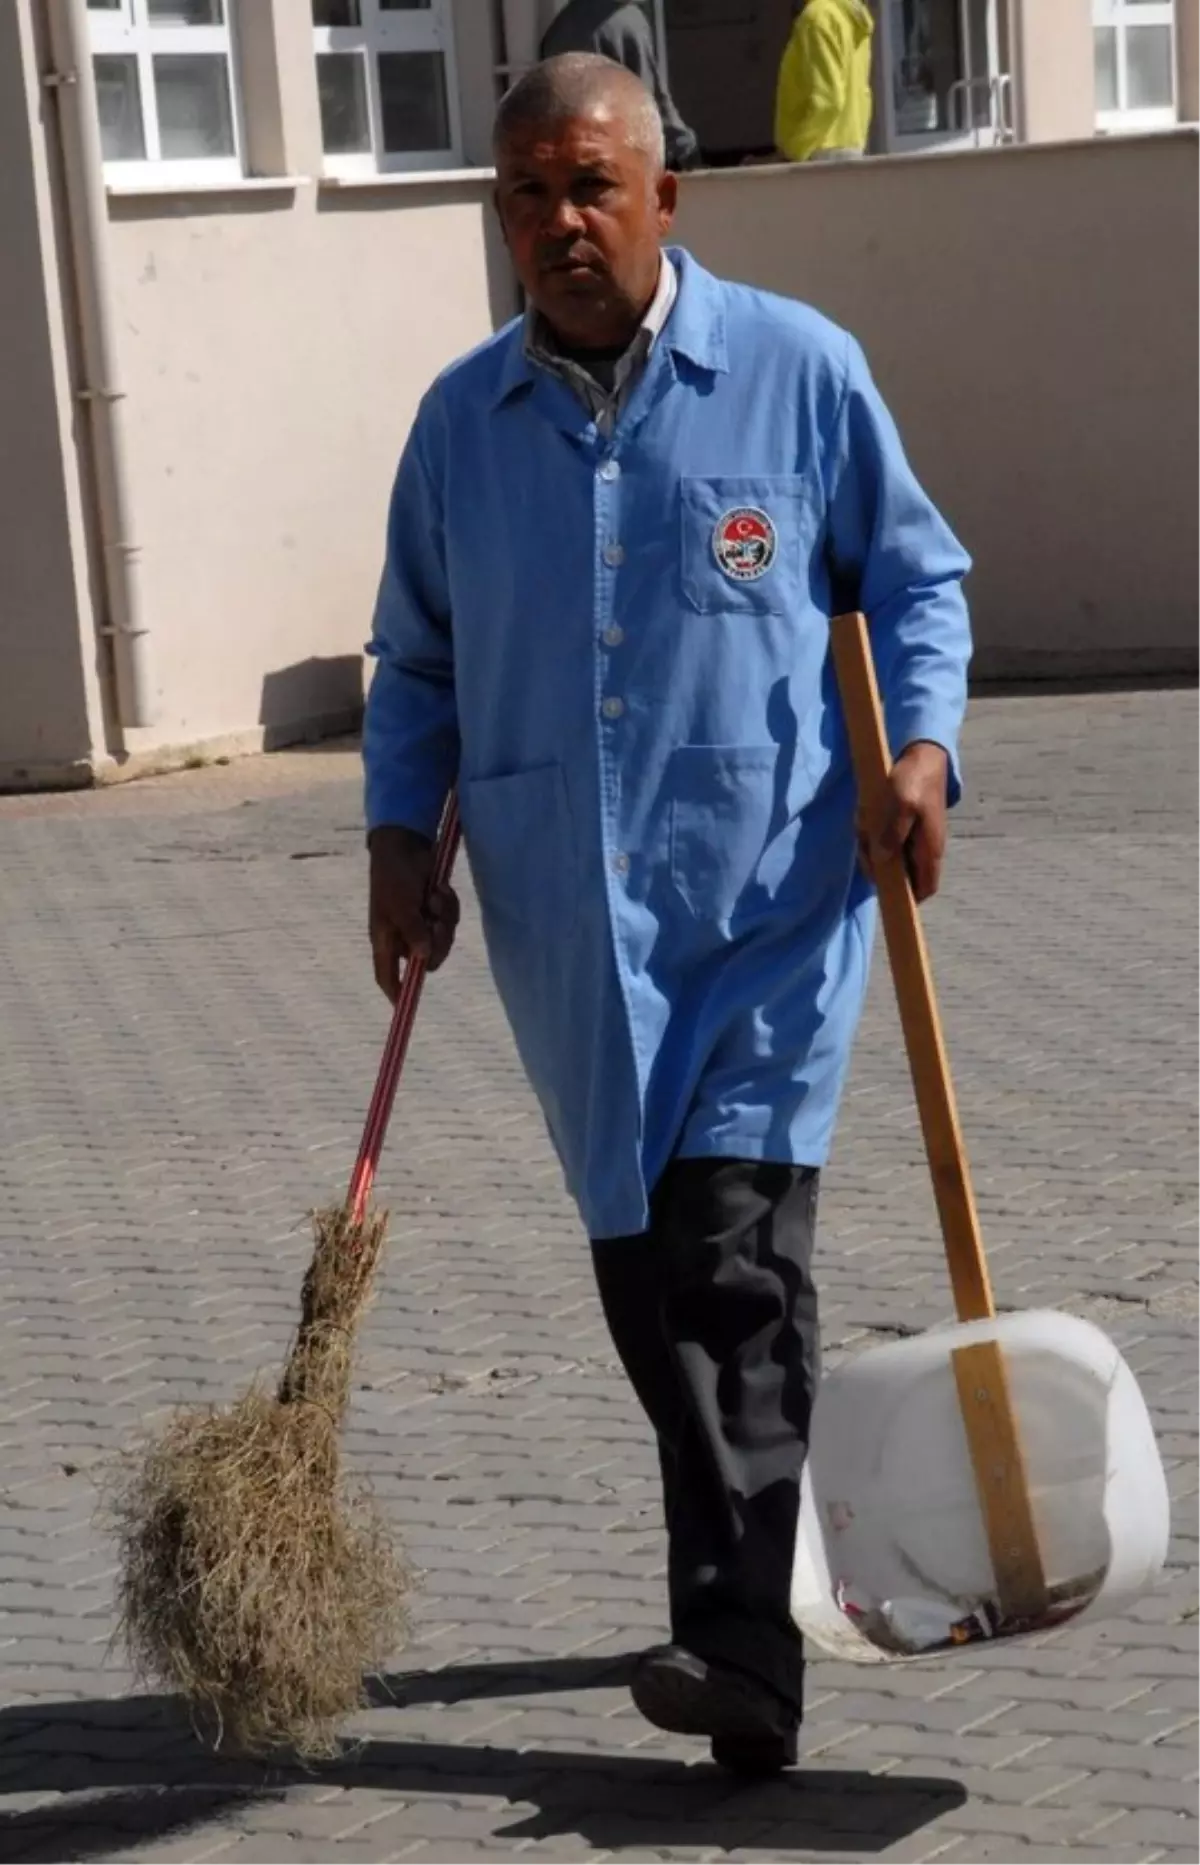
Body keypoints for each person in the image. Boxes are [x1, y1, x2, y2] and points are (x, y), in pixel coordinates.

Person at [364, 53, 971, 1776]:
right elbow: (415, 660)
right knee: (655, 1289)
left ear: (666, 197)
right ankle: (747, 1584)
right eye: (526, 196)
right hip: (576, 947)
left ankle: (741, 1659)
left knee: (731, 1271)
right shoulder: (459, 428)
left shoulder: (797, 373)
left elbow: (916, 577)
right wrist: (396, 833)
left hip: (771, 912)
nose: (557, 224)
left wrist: (921, 750)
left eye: (589, 188)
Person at [540, 0, 700, 171]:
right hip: (620, 159)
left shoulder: (559, 29)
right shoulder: (627, 21)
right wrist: (682, 147)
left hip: (574, 159)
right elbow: (650, 99)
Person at [775, 0, 875, 164]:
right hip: (850, 145)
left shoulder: (818, 17)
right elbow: (862, 92)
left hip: (817, 151)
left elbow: (829, 100)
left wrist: (793, 151)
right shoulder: (847, 16)